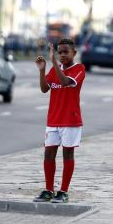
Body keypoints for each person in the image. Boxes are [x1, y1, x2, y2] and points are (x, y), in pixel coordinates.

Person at [33, 38, 85, 203]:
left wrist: (54, 62)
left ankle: (63, 192)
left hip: (70, 120)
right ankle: (49, 190)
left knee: (67, 154)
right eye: (59, 52)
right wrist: (42, 70)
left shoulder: (79, 69)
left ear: (74, 53)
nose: (62, 55)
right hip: (53, 119)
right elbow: (44, 89)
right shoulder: (55, 69)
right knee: (48, 154)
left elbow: (64, 81)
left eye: (65, 52)